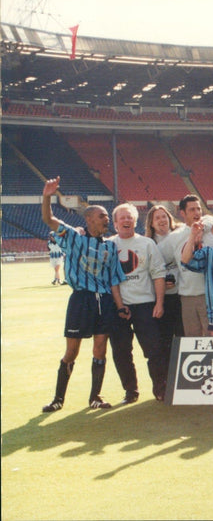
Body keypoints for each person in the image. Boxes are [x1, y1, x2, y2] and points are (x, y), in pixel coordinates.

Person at [40, 176, 126, 412]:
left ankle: (95, 397)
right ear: (88, 219)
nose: (106, 220)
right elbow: (48, 219)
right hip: (81, 299)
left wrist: (119, 306)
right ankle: (58, 399)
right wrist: (47, 195)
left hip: (104, 301)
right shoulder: (74, 237)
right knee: (72, 351)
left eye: (108, 217)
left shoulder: (110, 246)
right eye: (102, 216)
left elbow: (114, 280)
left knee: (100, 348)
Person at [109, 203, 168, 403]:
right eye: (122, 218)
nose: (126, 221)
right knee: (121, 351)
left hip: (145, 304)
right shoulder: (108, 245)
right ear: (115, 223)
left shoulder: (146, 244)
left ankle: (160, 389)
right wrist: (118, 306)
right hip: (118, 307)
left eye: (130, 217)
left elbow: (159, 275)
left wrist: (159, 303)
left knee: (154, 350)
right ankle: (131, 391)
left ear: (135, 221)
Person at [161, 195, 213, 336]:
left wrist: (207, 223)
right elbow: (157, 260)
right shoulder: (174, 237)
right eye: (192, 210)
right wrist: (167, 278)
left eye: (199, 209)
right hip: (187, 296)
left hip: (209, 294)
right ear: (183, 213)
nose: (197, 213)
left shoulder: (210, 231)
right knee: (192, 339)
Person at [145, 205, 184, 352]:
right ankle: (167, 373)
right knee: (165, 340)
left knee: (183, 337)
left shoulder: (181, 234)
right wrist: (160, 283)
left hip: (182, 295)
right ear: (151, 223)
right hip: (161, 299)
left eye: (164, 216)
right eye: (157, 218)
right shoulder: (148, 243)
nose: (162, 220)